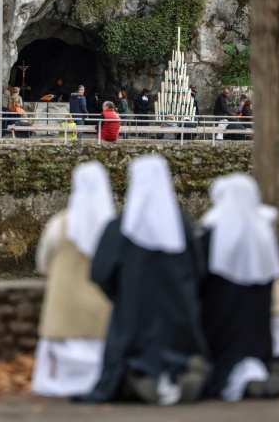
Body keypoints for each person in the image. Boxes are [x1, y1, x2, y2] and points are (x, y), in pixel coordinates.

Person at [84, 156, 208, 405]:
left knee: (129, 347)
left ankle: (138, 371)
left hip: (133, 314)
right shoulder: (182, 225)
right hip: (177, 315)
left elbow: (99, 273)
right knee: (180, 347)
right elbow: (199, 268)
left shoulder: (120, 228)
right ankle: (177, 371)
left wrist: (120, 295)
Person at [198, 174, 279, 401]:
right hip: (258, 326)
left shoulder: (212, 234)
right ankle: (261, 374)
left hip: (221, 324)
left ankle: (242, 382)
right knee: (254, 355)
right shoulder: (264, 235)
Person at [31, 162, 115, 397]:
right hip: (101, 309)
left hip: (65, 306)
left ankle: (60, 385)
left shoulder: (61, 223)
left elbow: (43, 262)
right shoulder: (113, 226)